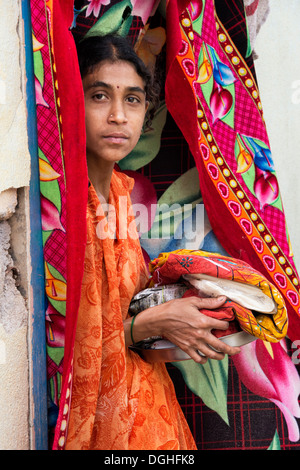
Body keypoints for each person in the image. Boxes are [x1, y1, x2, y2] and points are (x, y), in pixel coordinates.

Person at [65, 34, 240, 450]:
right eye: (100, 96)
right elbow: (62, 349)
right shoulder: (60, 210)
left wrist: (187, 319)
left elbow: (123, 317)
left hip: (154, 422)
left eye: (133, 99)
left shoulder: (123, 196)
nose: (118, 116)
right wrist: (149, 325)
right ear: (73, 101)